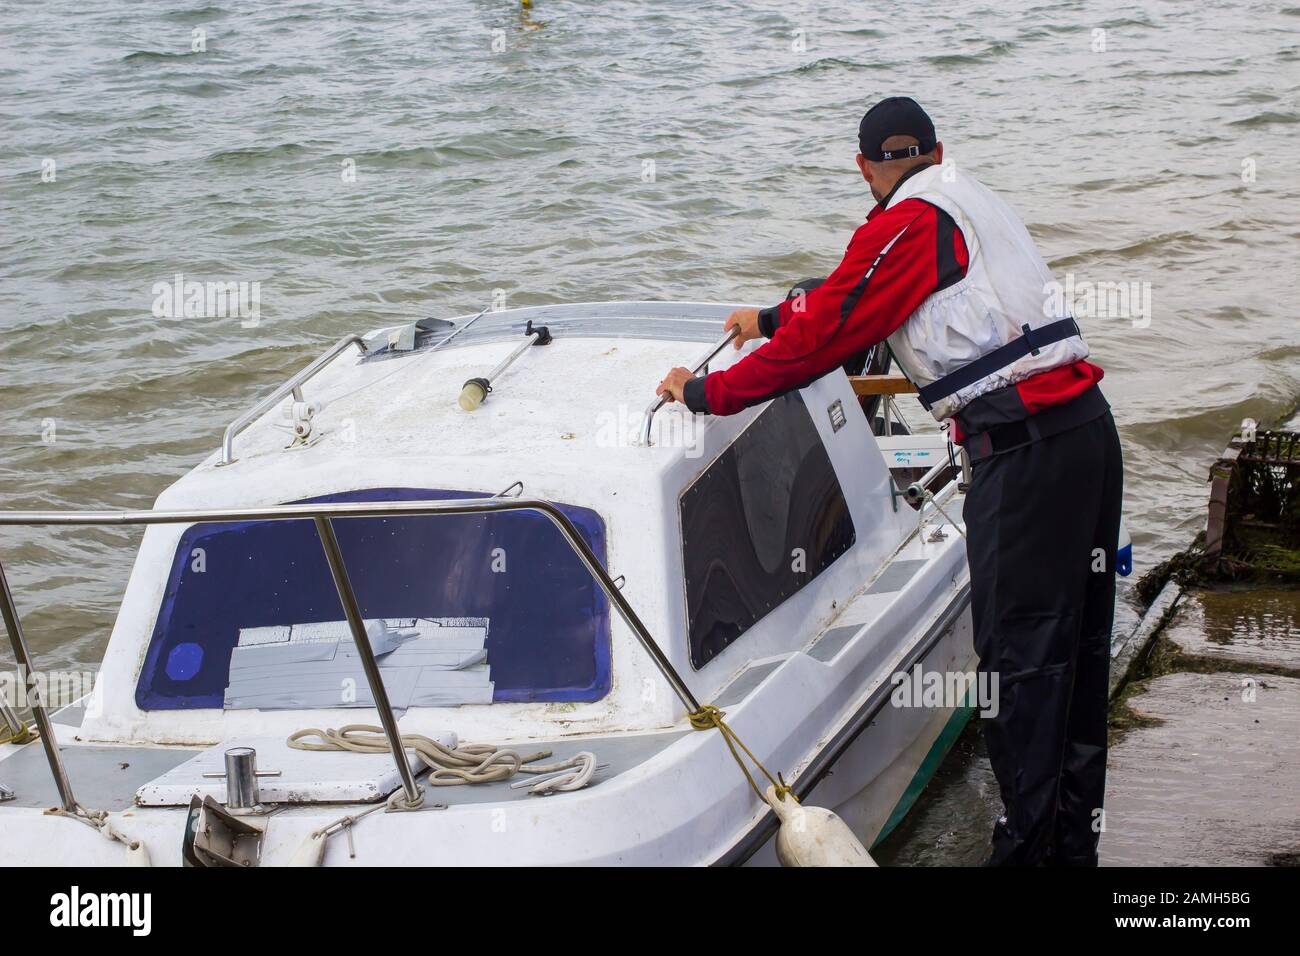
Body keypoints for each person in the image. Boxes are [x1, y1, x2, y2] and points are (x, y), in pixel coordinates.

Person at [655, 97, 1124, 867]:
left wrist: (704, 392)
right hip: (1084, 434)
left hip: (1024, 453)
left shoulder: (902, 222)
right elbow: (858, 297)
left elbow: (833, 332)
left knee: (1022, 670)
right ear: (936, 152)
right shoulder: (965, 200)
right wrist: (770, 316)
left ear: (866, 167)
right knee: (1075, 659)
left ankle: (1028, 855)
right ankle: (1070, 852)